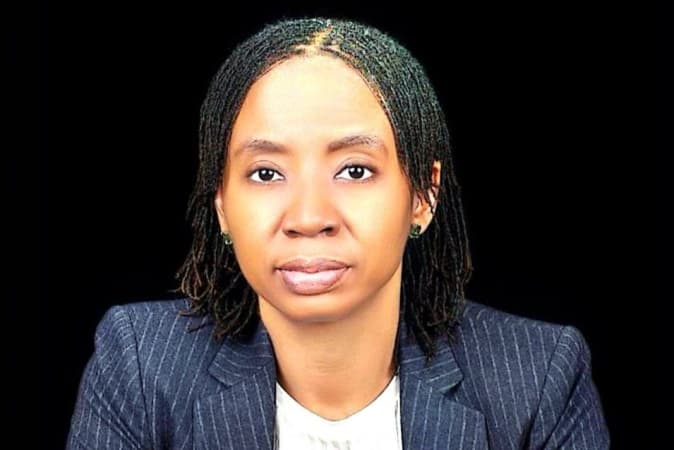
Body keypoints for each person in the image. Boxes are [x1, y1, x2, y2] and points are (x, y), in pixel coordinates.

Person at [66, 17, 610, 449]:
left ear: (424, 195)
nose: (309, 217)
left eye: (354, 170)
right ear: (222, 205)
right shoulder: (141, 365)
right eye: (266, 173)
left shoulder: (537, 375)